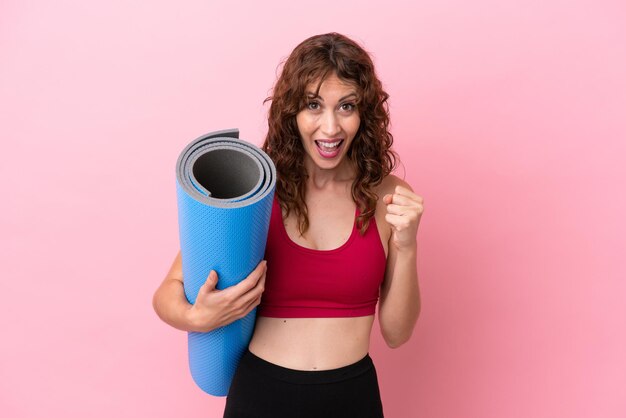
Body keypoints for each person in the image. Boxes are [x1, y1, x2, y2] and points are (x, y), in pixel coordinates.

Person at [153, 32, 424, 418]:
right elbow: (166, 294)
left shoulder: (389, 197)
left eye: (346, 106)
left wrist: (408, 245)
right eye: (314, 105)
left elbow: (397, 334)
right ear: (291, 112)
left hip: (352, 399)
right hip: (261, 396)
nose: (330, 128)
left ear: (364, 114)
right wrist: (199, 317)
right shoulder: (258, 191)